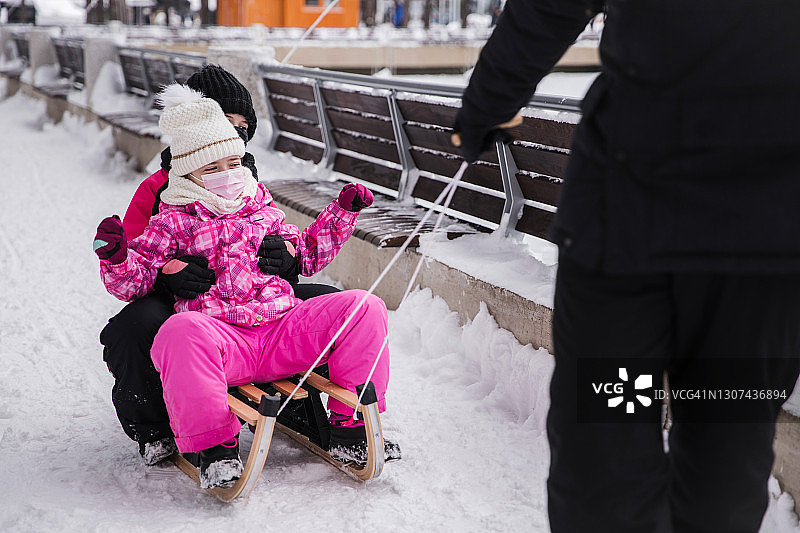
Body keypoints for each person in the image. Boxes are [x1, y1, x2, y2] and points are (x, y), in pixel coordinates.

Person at [453, 1, 800, 532]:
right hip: (745, 246)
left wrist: (490, 100)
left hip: (641, 239)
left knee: (617, 446)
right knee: (719, 451)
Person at [94, 84, 398, 489]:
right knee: (176, 331)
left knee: (363, 307)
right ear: (187, 172)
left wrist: (340, 214)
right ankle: (213, 446)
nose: (227, 175)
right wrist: (117, 256)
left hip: (280, 331)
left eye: (234, 162)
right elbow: (136, 278)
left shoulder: (260, 204)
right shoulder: (171, 217)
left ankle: (351, 425)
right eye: (212, 168)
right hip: (224, 342)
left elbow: (306, 253)